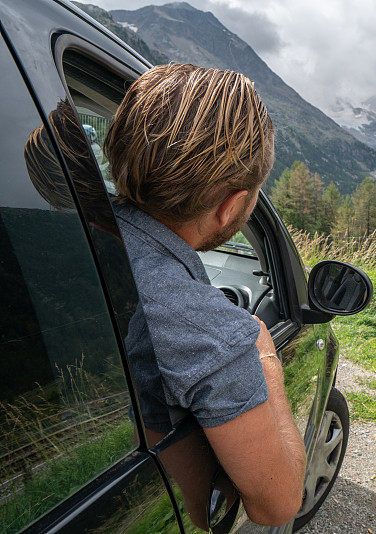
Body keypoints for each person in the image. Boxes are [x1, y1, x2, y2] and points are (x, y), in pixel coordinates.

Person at [103, 63, 306, 527]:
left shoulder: (68, 225)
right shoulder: (207, 328)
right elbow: (278, 504)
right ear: (232, 206)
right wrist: (262, 349)